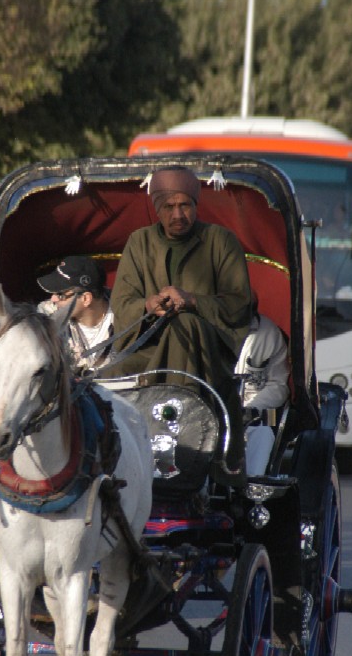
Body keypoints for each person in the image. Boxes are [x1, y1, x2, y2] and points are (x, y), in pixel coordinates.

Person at [109, 166, 252, 479]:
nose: (178, 214)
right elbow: (121, 305)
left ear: (196, 206)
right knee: (97, 383)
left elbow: (240, 304)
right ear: (157, 209)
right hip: (149, 353)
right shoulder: (139, 243)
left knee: (185, 323)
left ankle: (186, 438)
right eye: (169, 207)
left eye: (184, 205)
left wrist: (192, 301)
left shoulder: (221, 241)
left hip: (207, 354)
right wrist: (148, 306)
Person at [235, 294, 290, 475]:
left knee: (262, 434)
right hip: (209, 410)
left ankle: (251, 492)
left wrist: (250, 409)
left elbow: (279, 386)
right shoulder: (204, 329)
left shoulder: (270, 335)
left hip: (250, 414)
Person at [37, 256, 114, 372]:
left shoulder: (126, 318)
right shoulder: (47, 316)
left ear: (85, 299)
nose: (53, 299)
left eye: (60, 294)